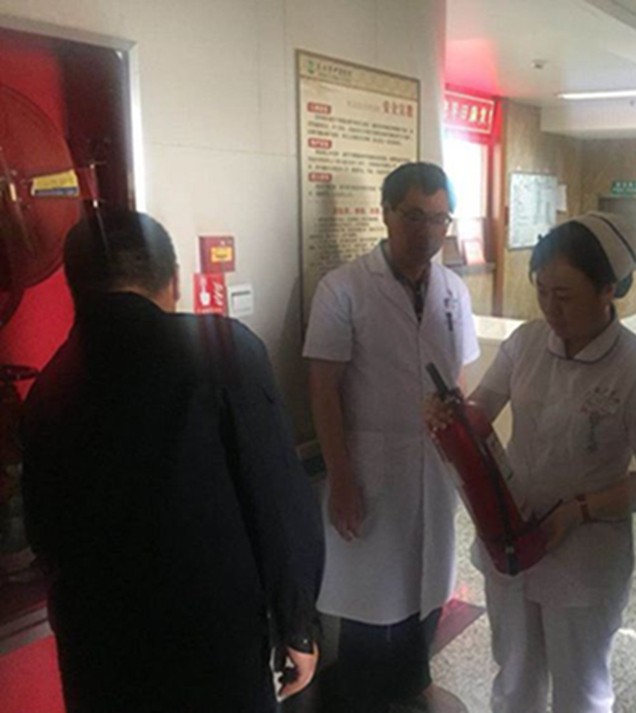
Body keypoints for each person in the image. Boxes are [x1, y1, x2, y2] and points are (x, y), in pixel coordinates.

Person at [21, 210, 323, 713]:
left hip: (96, 652)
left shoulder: (48, 389)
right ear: (173, 281)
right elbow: (276, 499)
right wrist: (298, 625)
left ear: (75, 289)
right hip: (211, 645)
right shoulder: (222, 350)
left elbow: (43, 535)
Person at [428, 212, 636, 713]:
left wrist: (580, 510)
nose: (550, 307)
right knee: (514, 678)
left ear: (607, 290)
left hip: (585, 555)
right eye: (542, 290)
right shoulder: (526, 342)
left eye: (564, 295)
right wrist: (452, 417)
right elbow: (483, 408)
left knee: (581, 690)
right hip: (511, 537)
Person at [304, 162, 479, 712]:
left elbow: (457, 379)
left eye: (439, 218)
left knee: (428, 584)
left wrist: (465, 461)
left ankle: (413, 683)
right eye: (413, 216)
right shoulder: (343, 289)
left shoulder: (452, 290)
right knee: (369, 598)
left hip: (435, 465)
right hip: (370, 465)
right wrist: (342, 479)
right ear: (385, 214)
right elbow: (323, 390)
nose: (427, 231)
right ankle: (363, 698)